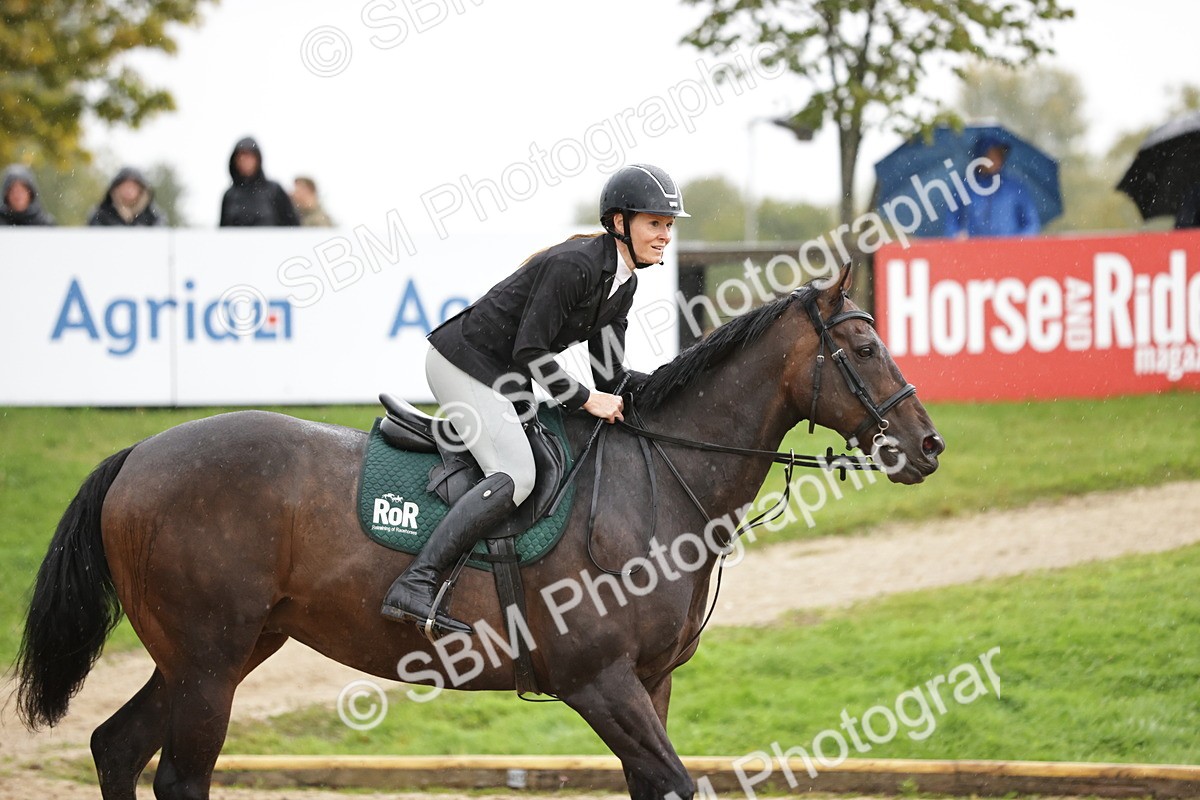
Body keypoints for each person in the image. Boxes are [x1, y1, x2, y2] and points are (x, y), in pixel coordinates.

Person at [380, 163, 688, 635]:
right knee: (518, 475)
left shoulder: (623, 283)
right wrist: (586, 399)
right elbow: (531, 351)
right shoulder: (576, 266)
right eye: (654, 223)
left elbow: (612, 374)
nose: (664, 235)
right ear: (620, 222)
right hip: (462, 361)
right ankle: (415, 583)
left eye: (668, 225)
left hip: (503, 372)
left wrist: (675, 388)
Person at [945, 137, 1040, 238]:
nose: (997, 160)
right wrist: (957, 236)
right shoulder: (965, 188)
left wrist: (1017, 242)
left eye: (1000, 155)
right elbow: (951, 222)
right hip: (974, 251)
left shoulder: (1015, 188)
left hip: (1009, 251)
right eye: (992, 155)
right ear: (980, 157)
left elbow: (1032, 224)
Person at [219, 137, 299, 227]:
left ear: (257, 160)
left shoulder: (274, 190)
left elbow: (293, 226)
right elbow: (223, 231)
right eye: (241, 157)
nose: (245, 161)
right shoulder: (230, 196)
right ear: (234, 161)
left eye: (249, 157)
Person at [88, 167, 165, 227]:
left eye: (133, 187)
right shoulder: (101, 215)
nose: (129, 190)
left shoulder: (153, 217)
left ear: (141, 191)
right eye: (125, 186)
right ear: (116, 189)